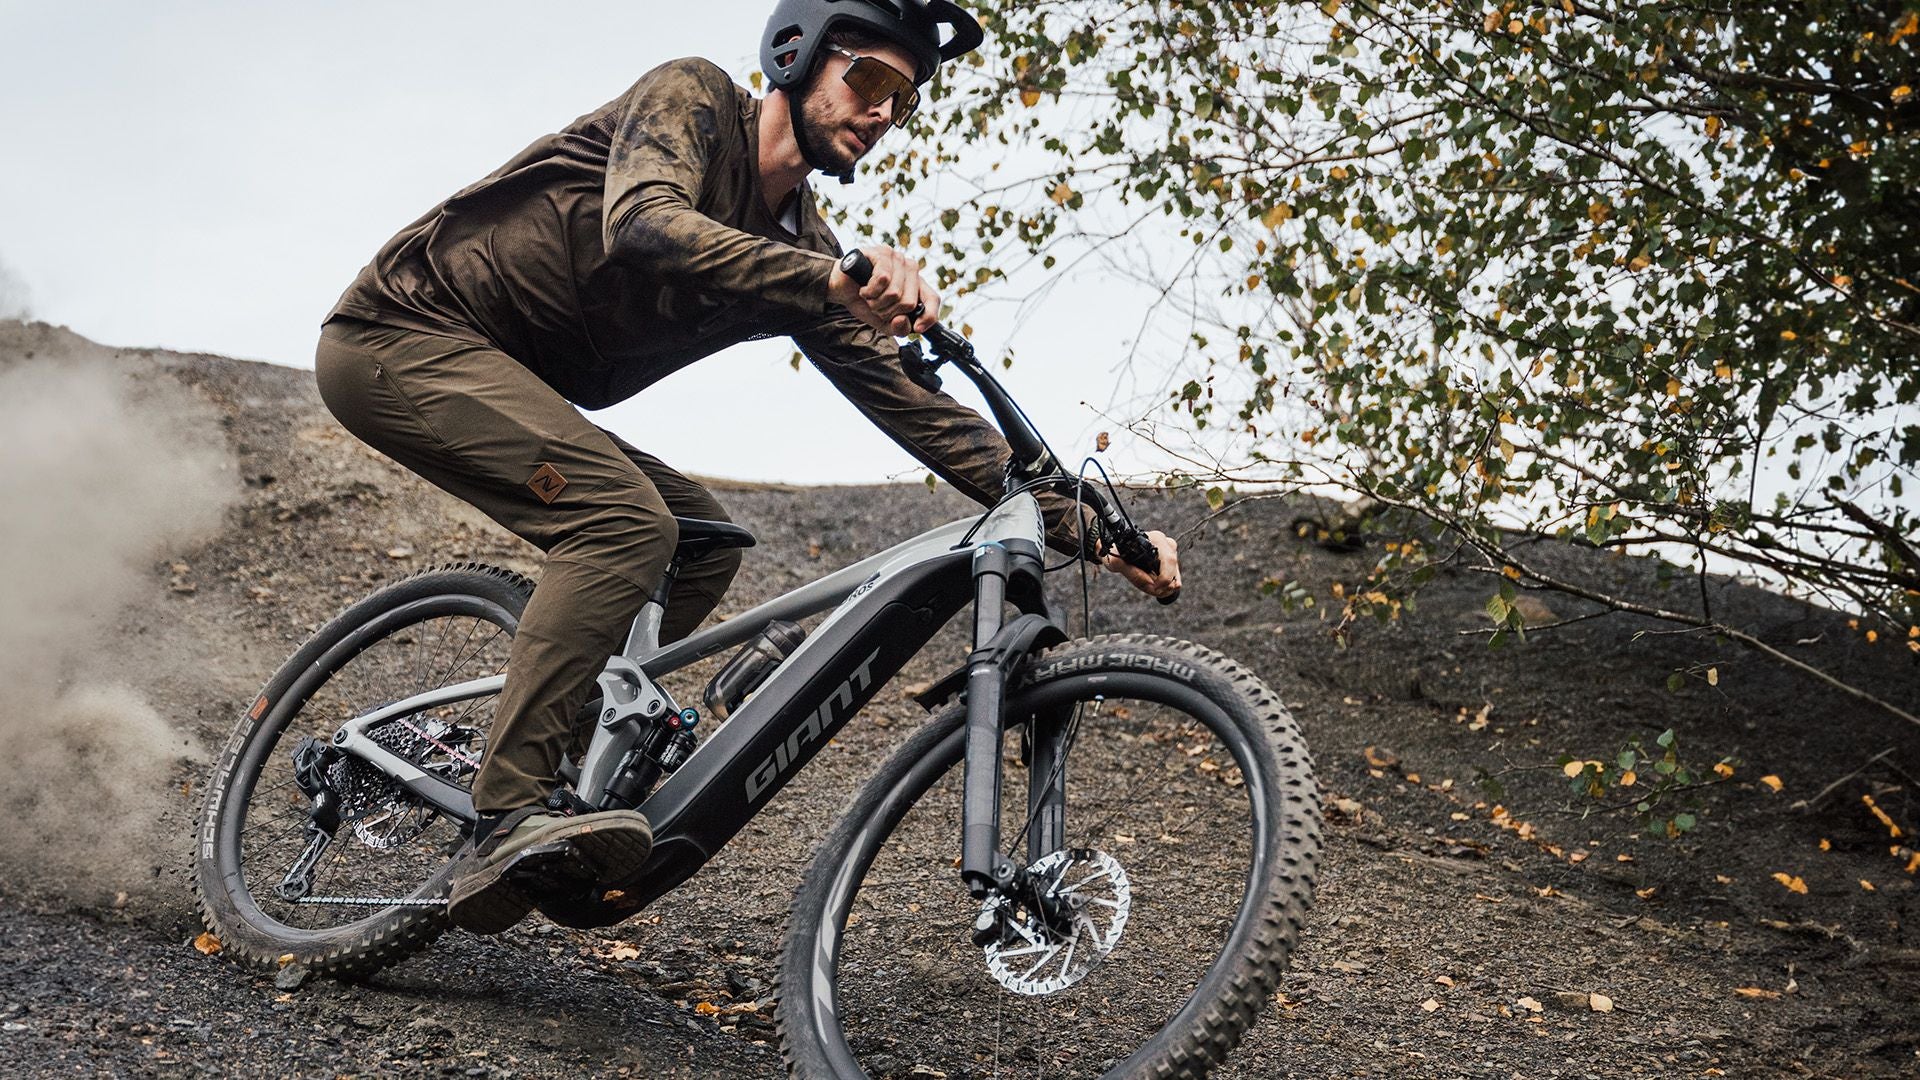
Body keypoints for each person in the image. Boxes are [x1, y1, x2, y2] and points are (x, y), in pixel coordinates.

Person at [312, 0, 1180, 936]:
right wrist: (832, 282)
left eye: (908, 100)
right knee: (624, 526)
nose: (886, 112)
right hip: (402, 334)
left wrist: (1092, 527)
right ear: (797, 54)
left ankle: (564, 741)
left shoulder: (802, 255)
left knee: (702, 541)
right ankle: (508, 808)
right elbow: (644, 222)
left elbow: (923, 414)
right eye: (873, 80)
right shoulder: (690, 97)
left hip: (507, 378)